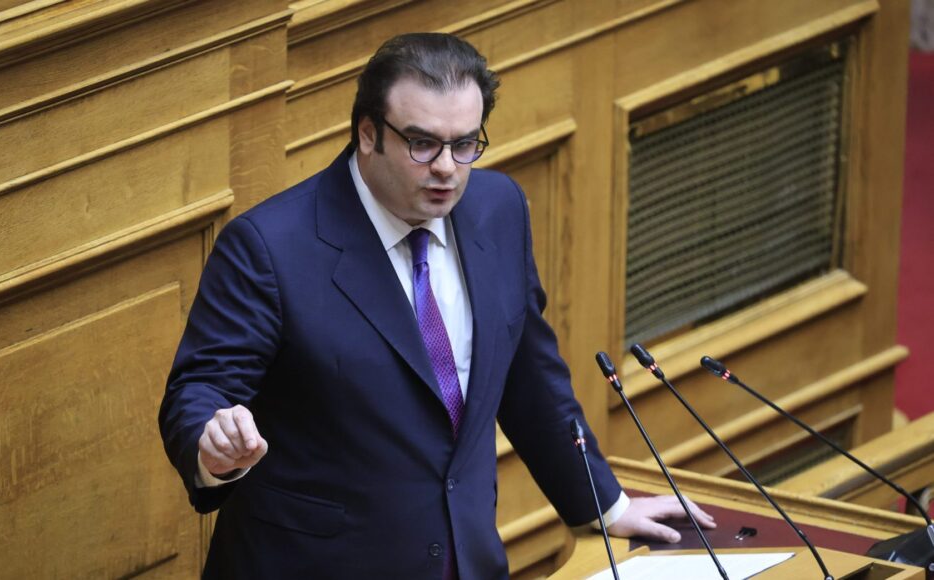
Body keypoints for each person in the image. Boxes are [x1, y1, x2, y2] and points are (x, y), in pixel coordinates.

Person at [159, 32, 714, 579]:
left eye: (465, 143)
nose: (447, 167)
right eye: (422, 144)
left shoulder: (499, 208)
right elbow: (199, 389)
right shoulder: (270, 247)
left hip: (465, 563)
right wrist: (213, 443)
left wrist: (606, 505)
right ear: (368, 134)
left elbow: (529, 377)